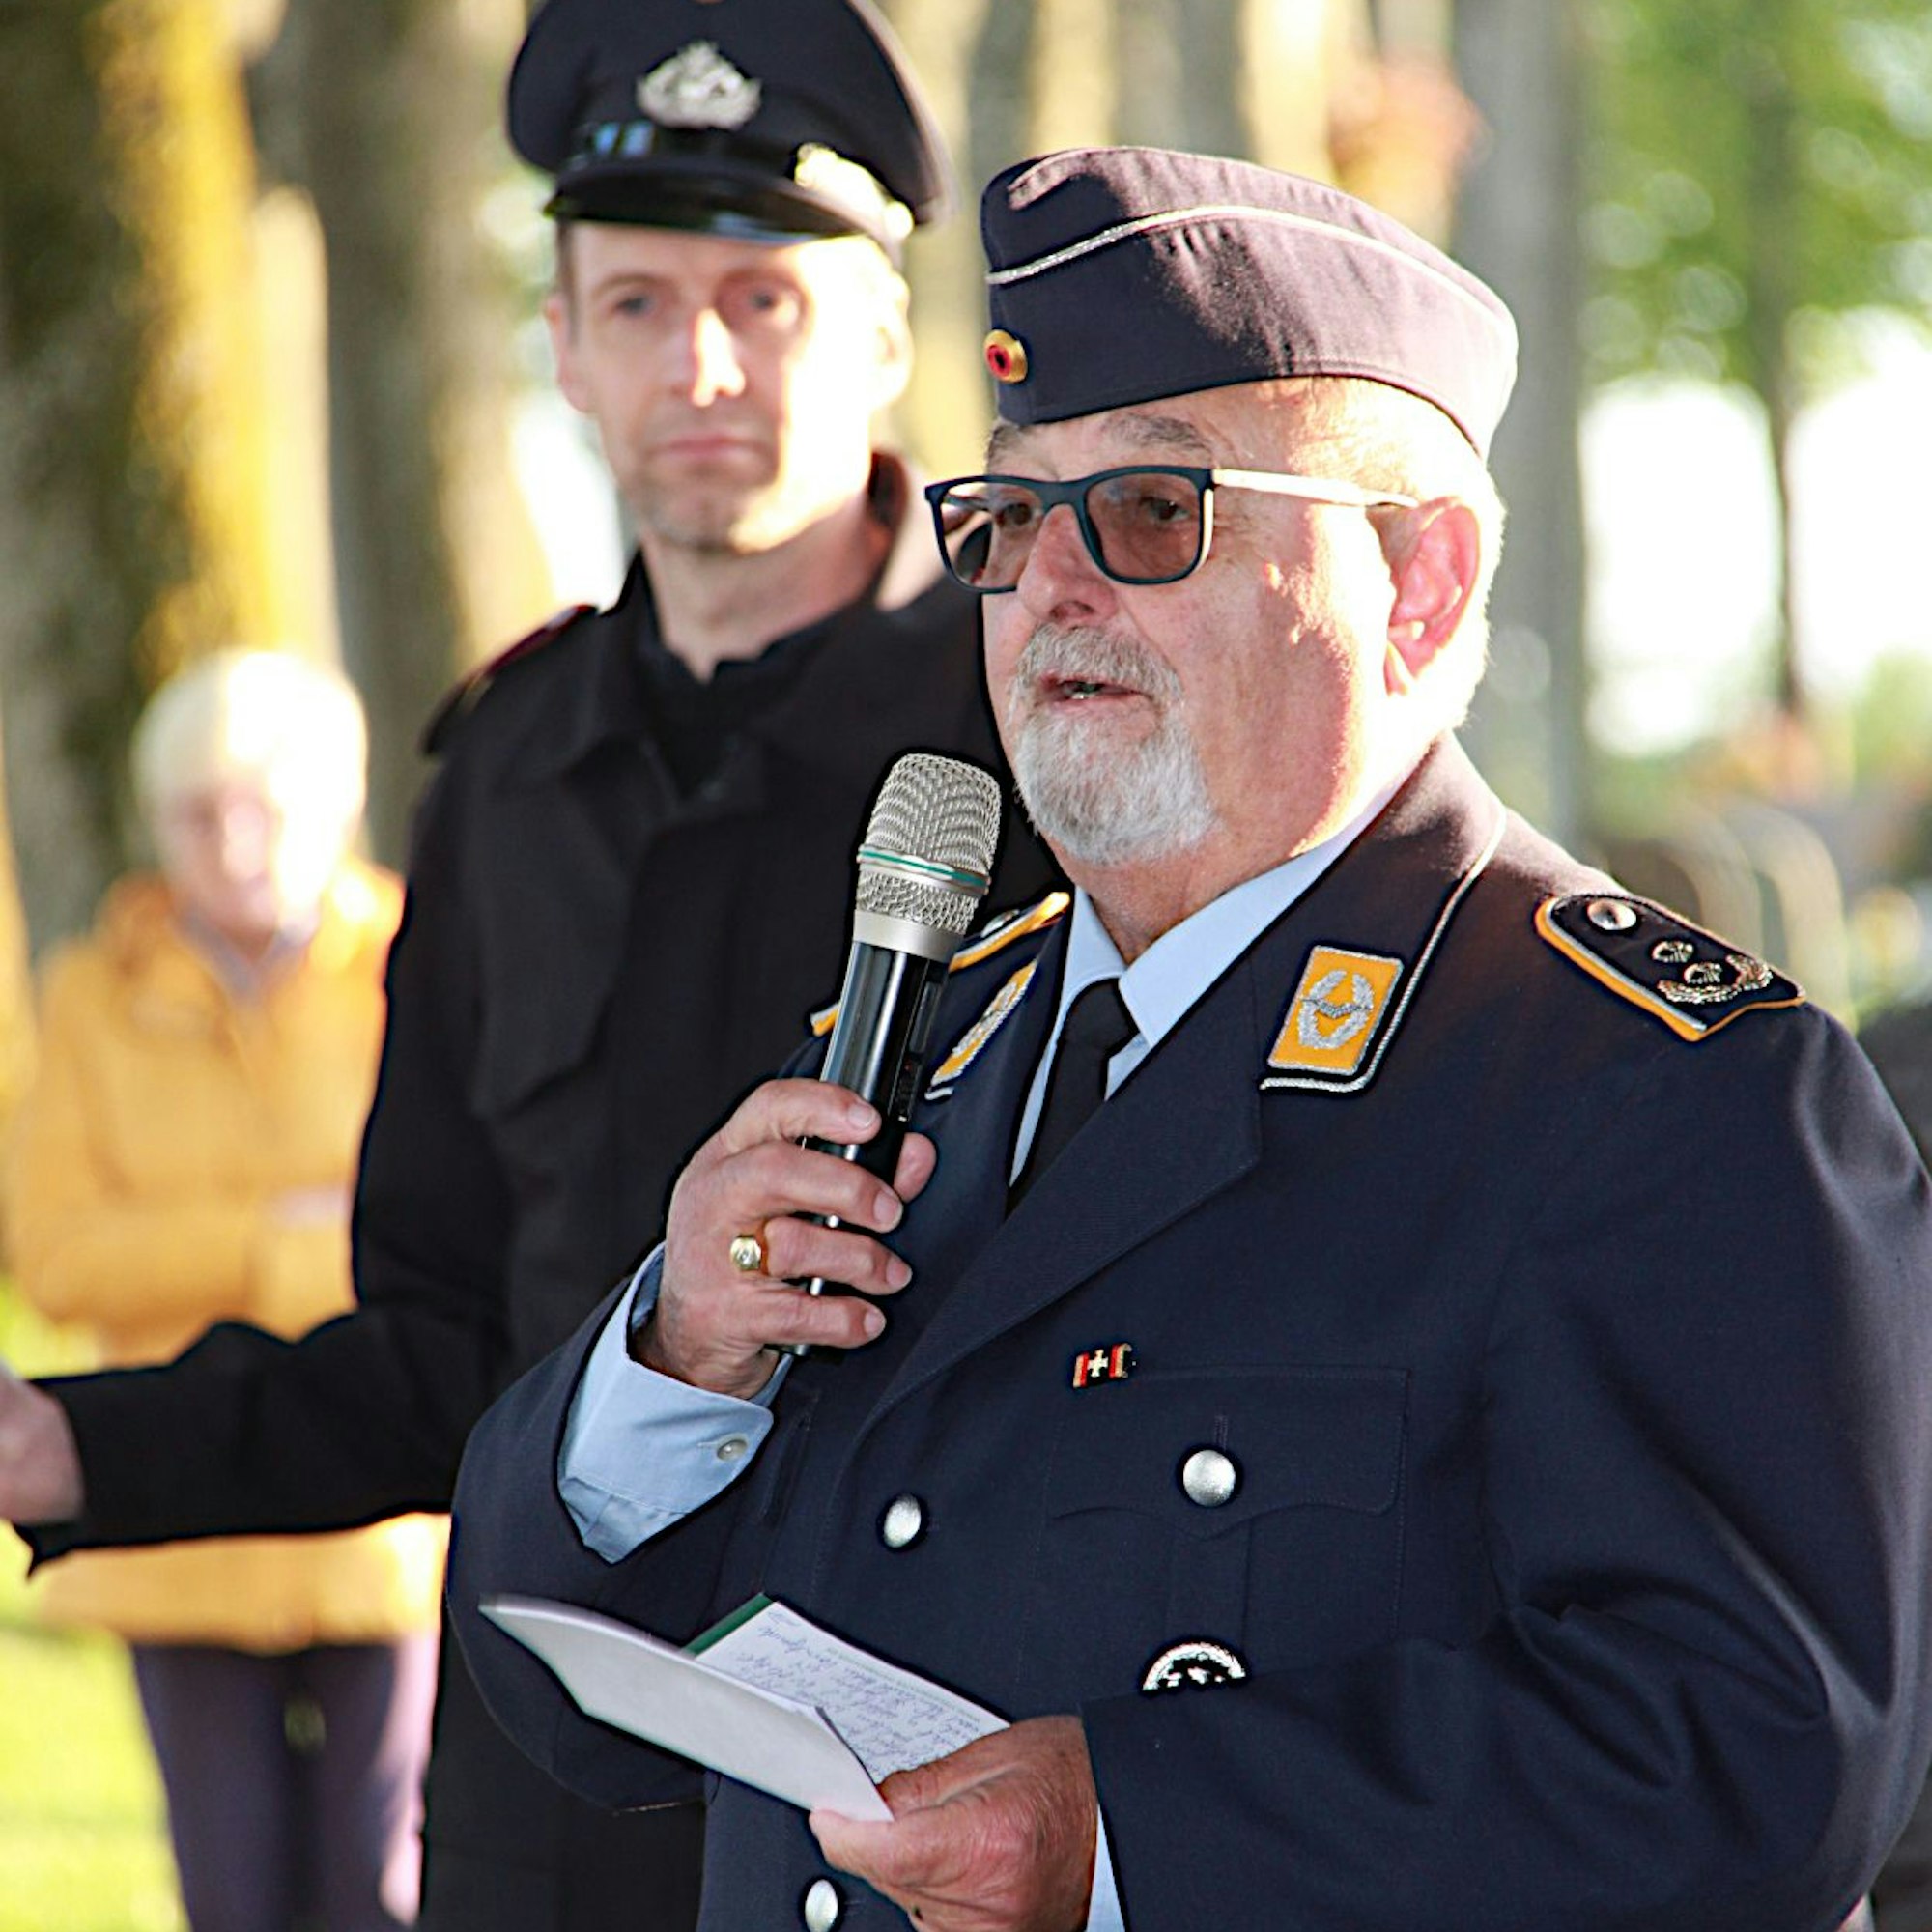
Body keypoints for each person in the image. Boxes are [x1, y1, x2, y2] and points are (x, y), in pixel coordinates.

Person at [445, 147, 1932, 1932]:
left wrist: (1136, 1839)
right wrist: (676, 1365)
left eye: (1153, 513)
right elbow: (569, 1699)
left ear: (1424, 585)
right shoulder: (921, 1035)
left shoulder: (1654, 1091)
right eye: (1004, 521)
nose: (1052, 586)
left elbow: (1756, 1759)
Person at [0, 4, 1054, 1928]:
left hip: (904, 1813)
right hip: (540, 1822)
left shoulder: (1037, 736)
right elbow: (446, 1345)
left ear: (891, 339)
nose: (704, 363)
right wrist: (69, 1440)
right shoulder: (501, 769)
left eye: (765, 297)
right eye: (637, 305)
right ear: (560, 347)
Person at [6, 650, 442, 1932]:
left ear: (338, 806)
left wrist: (222, 1245)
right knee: (232, 1900)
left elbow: (438, 1227)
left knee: (381, 1890)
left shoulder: (412, 963)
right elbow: (61, 1252)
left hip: (381, 1525)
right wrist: (283, 1244)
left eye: (269, 805)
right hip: (175, 1531)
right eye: (201, 811)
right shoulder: (91, 996)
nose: (237, 840)